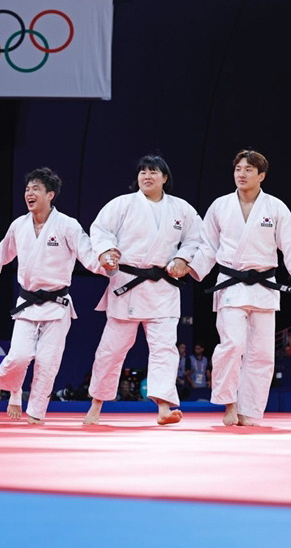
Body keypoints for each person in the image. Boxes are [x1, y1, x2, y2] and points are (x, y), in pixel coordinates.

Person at [0, 167, 115, 424]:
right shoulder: (18, 225)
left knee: (47, 361)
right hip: (27, 303)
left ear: (50, 195)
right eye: (27, 189)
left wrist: (104, 263)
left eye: (36, 189)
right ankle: (13, 388)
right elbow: (2, 254)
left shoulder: (67, 225)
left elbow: (87, 254)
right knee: (19, 356)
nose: (29, 193)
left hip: (57, 304)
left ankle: (36, 412)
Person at [83, 155, 202, 426]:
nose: (147, 176)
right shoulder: (122, 204)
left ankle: (163, 407)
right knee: (111, 350)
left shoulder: (181, 209)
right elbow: (100, 230)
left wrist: (183, 258)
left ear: (165, 178)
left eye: (153, 172)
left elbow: (197, 237)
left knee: (164, 349)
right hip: (127, 286)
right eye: (143, 172)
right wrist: (106, 252)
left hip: (163, 288)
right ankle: (96, 405)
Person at [188, 149, 291, 426]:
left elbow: (289, 246)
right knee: (232, 345)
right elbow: (208, 246)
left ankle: (251, 411)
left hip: (264, 286)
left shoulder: (276, 208)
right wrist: (191, 268)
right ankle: (229, 403)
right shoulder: (220, 206)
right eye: (238, 169)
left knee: (262, 354)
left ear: (262, 176)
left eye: (248, 170)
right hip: (231, 285)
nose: (241, 174)